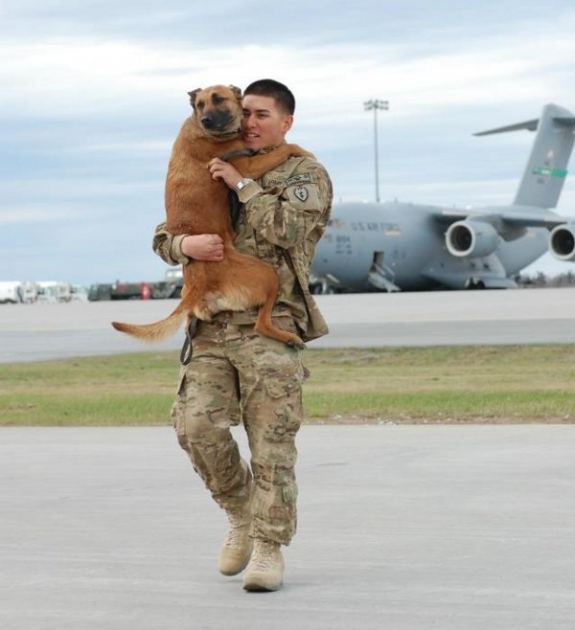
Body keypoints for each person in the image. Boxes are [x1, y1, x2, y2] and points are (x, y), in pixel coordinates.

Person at [152, 79, 333, 592]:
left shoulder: (304, 172)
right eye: (246, 113)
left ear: (286, 123)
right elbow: (163, 234)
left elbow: (289, 231)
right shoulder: (214, 157)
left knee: (271, 444)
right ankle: (240, 515)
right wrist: (184, 242)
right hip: (209, 322)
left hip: (269, 327)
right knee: (194, 427)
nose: (249, 123)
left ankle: (270, 549)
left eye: (261, 115)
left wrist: (241, 184)